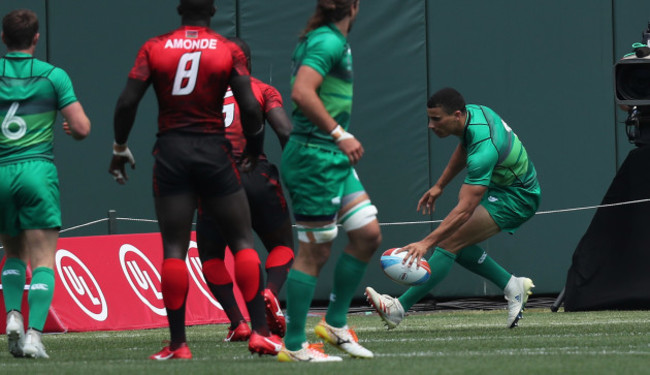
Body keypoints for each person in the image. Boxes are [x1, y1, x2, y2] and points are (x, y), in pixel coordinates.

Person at [110, 0, 281, 360]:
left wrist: (120, 146)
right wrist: (254, 148)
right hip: (214, 152)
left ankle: (178, 345)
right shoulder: (227, 49)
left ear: (179, 9)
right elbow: (250, 106)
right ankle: (260, 333)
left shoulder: (154, 47)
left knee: (174, 247)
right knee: (242, 241)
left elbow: (127, 102)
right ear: (213, 10)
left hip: (171, 152)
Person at [365, 87, 541, 330]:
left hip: (518, 198)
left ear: (457, 115)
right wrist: (440, 185)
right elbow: (463, 148)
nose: (430, 125)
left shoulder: (483, 150)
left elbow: (465, 209)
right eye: (429, 118)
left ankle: (398, 309)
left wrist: (426, 243)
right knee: (457, 242)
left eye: (436, 119)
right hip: (503, 188)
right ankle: (512, 285)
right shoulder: (473, 116)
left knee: (448, 242)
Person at [278, 0, 381, 363]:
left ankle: (335, 325)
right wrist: (340, 133)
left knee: (367, 234)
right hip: (314, 157)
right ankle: (292, 346)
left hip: (331, 157)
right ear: (354, 5)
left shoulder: (328, 37)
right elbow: (301, 92)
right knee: (315, 251)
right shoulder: (328, 41)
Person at [0, 9, 91, 359]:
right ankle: (34, 335)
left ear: (4, 38)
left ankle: (12, 315)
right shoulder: (54, 76)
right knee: (42, 258)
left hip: (2, 171)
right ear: (36, 39)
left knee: (11, 253)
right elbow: (81, 128)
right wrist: (69, 127)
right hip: (37, 171)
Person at [195, 37, 294, 342]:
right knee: (282, 245)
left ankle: (238, 321)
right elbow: (285, 131)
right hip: (255, 173)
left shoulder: (201, 96)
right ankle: (269, 293)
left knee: (211, 254)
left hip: (214, 179)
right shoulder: (263, 89)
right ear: (248, 63)